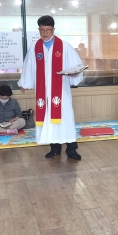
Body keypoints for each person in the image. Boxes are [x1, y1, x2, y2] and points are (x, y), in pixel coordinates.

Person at [19, 16, 84, 160]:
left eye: (48, 30)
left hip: (61, 91)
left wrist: (74, 73)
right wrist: (24, 82)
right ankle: (55, 148)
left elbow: (76, 65)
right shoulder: (35, 47)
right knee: (49, 119)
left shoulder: (64, 46)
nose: (45, 33)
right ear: (39, 30)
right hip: (43, 92)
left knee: (65, 119)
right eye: (42, 30)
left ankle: (71, 150)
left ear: (53, 29)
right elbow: (29, 66)